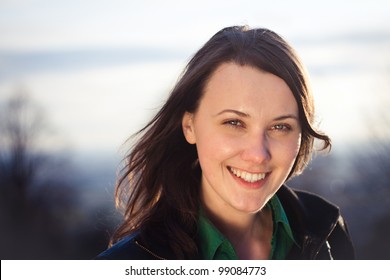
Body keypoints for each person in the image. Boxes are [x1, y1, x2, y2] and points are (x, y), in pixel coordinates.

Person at [96, 25, 355, 260]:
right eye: (234, 123)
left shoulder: (327, 231)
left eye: (280, 127)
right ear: (190, 127)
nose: (257, 154)